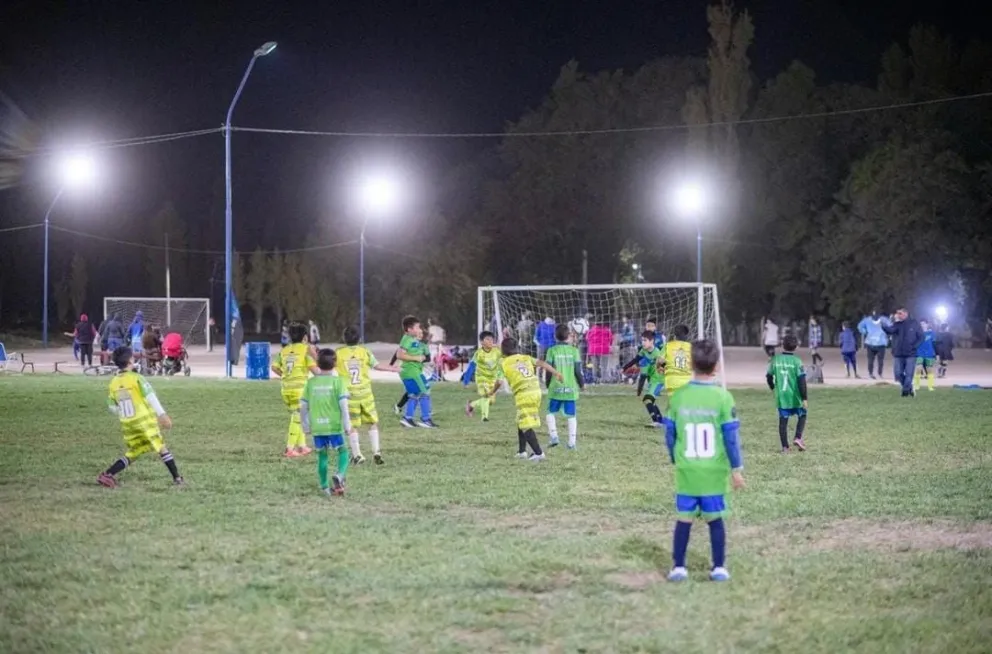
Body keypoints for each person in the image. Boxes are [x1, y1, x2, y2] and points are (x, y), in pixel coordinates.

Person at [661, 339, 745, 582]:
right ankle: (718, 567)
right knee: (715, 518)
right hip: (713, 471)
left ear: (690, 364)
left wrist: (674, 458)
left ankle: (679, 567)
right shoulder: (723, 397)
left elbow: (669, 433)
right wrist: (736, 469)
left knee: (684, 518)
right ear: (716, 365)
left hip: (687, 469)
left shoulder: (678, 397)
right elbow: (731, 438)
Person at [97, 346, 183, 488]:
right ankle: (178, 479)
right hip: (144, 422)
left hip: (128, 424)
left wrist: (123, 412)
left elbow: (112, 407)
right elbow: (151, 397)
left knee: (134, 451)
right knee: (161, 447)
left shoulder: (114, 382)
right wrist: (162, 415)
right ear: (130, 360)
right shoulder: (137, 378)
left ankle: (108, 474)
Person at [491, 337, 561, 461]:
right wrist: (556, 372)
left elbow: (499, 381)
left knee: (525, 424)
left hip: (524, 393)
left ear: (503, 351)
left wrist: (492, 392)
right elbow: (542, 363)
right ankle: (522, 452)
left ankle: (539, 453)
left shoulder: (503, 363)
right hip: (536, 390)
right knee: (521, 419)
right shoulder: (525, 358)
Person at [336, 326, 393, 465]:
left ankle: (357, 455)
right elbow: (377, 365)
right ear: (360, 339)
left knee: (352, 425)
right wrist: (393, 369)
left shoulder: (338, 353)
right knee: (372, 423)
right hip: (365, 393)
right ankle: (376, 451)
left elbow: (327, 365)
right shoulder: (365, 352)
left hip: (349, 394)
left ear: (344, 339)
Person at [300, 348, 352, 496]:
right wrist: (347, 424)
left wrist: (305, 425)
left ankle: (324, 487)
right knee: (343, 451)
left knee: (322, 456)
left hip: (317, 426)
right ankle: (340, 475)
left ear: (317, 363)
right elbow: (344, 405)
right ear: (335, 364)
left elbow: (303, 406)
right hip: (333, 425)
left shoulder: (311, 383)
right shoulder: (338, 382)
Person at [271, 322, 319, 457]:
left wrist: (286, 376)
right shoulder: (305, 350)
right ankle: (290, 449)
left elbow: (274, 367)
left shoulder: (284, 350)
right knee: (297, 417)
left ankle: (302, 446)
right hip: (299, 390)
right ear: (305, 337)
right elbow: (315, 370)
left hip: (286, 389)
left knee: (298, 416)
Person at [542, 324, 584, 449]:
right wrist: (582, 384)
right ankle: (572, 443)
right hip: (570, 388)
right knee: (571, 415)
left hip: (556, 387)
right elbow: (577, 370)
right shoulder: (574, 351)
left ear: (555, 336)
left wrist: (548, 383)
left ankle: (554, 436)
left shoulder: (551, 350)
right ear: (568, 336)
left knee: (550, 413)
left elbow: (548, 370)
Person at [766, 334, 808, 452]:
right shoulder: (797, 361)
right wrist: (804, 398)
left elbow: (768, 376)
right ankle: (798, 437)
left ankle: (785, 447)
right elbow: (801, 381)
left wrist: (772, 387)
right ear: (796, 347)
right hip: (795, 396)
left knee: (783, 421)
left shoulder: (775, 360)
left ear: (782, 345)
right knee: (803, 414)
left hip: (782, 396)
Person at [396, 315, 438, 429]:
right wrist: (417, 358)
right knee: (425, 392)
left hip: (411, 371)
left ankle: (407, 419)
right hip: (411, 372)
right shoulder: (407, 339)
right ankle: (426, 419)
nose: (419, 329)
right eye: (417, 327)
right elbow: (399, 355)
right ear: (409, 329)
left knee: (414, 394)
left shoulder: (413, 340)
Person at [622, 331, 664, 426]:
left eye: (645, 340)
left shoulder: (658, 353)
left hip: (658, 380)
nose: (643, 343)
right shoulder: (643, 351)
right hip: (653, 379)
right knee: (651, 400)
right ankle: (660, 420)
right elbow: (635, 359)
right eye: (642, 340)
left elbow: (664, 367)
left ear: (652, 341)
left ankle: (656, 422)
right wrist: (624, 368)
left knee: (647, 399)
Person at [882, 308, 924, 397]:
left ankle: (905, 391)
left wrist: (914, 346)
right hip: (898, 353)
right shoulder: (897, 324)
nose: (898, 315)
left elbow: (921, 337)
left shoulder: (914, 323)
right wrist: (883, 325)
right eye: (897, 313)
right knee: (898, 374)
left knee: (909, 374)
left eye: (900, 313)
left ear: (906, 314)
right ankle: (910, 388)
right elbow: (890, 331)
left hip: (911, 354)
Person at [462, 330, 502, 422]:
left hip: (492, 379)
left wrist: (500, 346)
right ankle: (484, 418)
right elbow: (471, 366)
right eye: (487, 339)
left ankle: (471, 405)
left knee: (491, 401)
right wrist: (466, 381)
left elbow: (506, 354)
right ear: (481, 342)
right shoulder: (479, 353)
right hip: (481, 378)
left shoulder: (497, 351)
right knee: (486, 396)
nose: (490, 341)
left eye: (491, 339)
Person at [660, 324, 693, 396]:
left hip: (672, 380)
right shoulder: (691, 347)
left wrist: (660, 369)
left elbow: (660, 361)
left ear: (675, 336)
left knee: (674, 401)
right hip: (687, 381)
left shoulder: (668, 346)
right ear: (687, 336)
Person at [858, 310, 891, 380]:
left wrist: (865, 332)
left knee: (874, 360)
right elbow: (891, 326)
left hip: (876, 343)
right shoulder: (883, 319)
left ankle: (874, 373)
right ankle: (876, 374)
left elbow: (859, 326)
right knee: (876, 360)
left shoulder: (869, 320)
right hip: (876, 343)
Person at [914, 319, 937, 392]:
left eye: (923, 324)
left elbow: (934, 344)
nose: (922, 325)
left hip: (929, 354)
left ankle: (930, 386)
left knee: (929, 370)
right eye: (921, 324)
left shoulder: (931, 333)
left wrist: (935, 354)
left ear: (927, 324)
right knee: (918, 368)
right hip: (919, 353)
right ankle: (917, 385)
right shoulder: (917, 333)